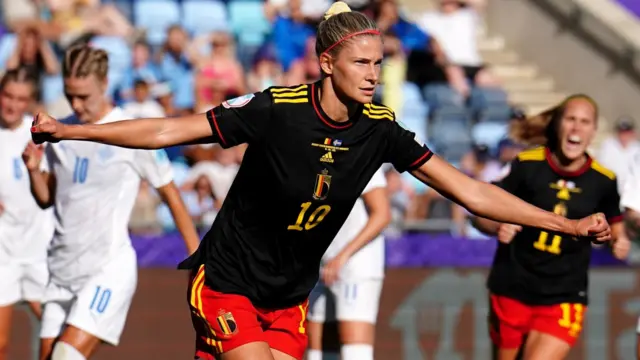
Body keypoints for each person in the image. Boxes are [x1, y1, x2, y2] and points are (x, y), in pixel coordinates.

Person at [31, 3, 612, 360]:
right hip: (228, 281)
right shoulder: (276, 108)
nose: (374, 75)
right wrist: (72, 130)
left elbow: (471, 191)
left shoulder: (382, 128)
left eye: (379, 64)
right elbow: (168, 130)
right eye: (362, 63)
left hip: (287, 300)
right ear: (329, 63)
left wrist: (565, 224)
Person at [22, 45, 200, 360]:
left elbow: (170, 193)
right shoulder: (59, 132)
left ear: (104, 85)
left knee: (65, 356)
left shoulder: (131, 133)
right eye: (69, 95)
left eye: (83, 96)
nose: (76, 104)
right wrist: (34, 171)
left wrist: (197, 258)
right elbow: (47, 198)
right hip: (61, 272)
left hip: (106, 268)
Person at [471, 95, 630, 360]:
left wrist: (619, 241)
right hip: (512, 287)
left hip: (564, 295)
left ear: (593, 131)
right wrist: (498, 224)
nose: (576, 128)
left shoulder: (604, 180)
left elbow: (616, 229)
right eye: (570, 119)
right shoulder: (526, 165)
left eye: (584, 122)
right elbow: (479, 211)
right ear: (557, 124)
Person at [307, 167, 390, 360]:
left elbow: (382, 215)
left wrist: (343, 256)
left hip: (356, 266)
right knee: (318, 344)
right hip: (321, 264)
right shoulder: (313, 160)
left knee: (354, 346)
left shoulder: (365, 159)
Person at [0, 68, 54, 360]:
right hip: (2, 252)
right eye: (7, 95)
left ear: (29, 102)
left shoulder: (39, 136)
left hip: (39, 249)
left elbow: (54, 188)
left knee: (53, 343)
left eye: (20, 99)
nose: (12, 104)